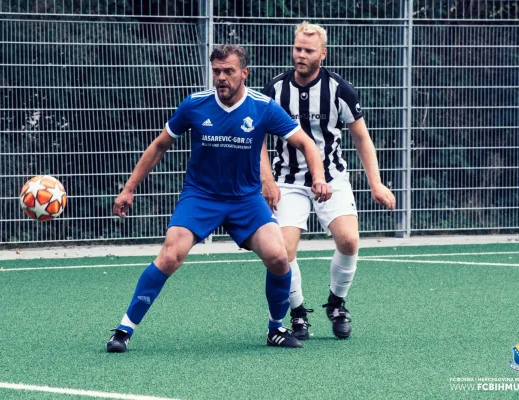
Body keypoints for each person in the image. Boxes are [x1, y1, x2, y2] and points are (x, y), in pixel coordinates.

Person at [106, 44, 332, 352]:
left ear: (244, 73)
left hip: (246, 200)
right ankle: (124, 329)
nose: (221, 78)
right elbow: (159, 146)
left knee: (279, 257)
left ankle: (276, 328)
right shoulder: (195, 105)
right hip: (201, 197)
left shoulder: (262, 106)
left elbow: (306, 143)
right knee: (170, 255)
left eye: (228, 71)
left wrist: (318, 177)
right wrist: (129, 188)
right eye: (216, 72)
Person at [260, 22, 396, 340]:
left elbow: (361, 138)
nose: (300, 55)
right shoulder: (275, 90)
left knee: (349, 241)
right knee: (283, 252)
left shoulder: (339, 90)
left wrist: (376, 184)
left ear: (322, 53)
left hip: (332, 178)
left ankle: (336, 304)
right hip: (287, 182)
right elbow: (258, 140)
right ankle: (297, 314)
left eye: (308, 51)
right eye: (297, 49)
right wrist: (268, 180)